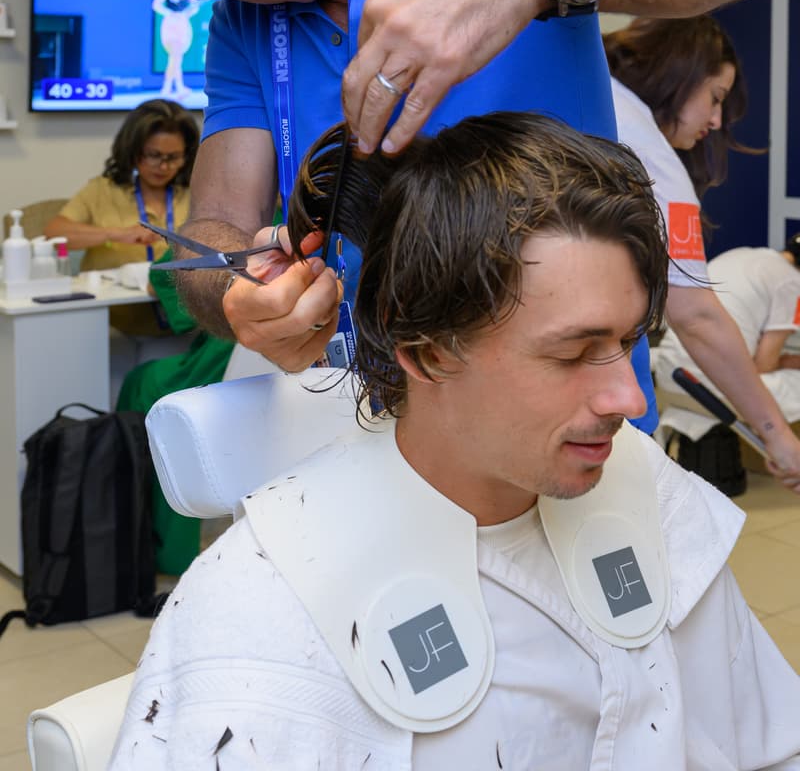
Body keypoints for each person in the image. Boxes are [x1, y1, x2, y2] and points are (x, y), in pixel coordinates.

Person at [69, 0, 787, 427]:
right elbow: (214, 225)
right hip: (383, 428)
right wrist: (239, 294)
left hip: (575, 415)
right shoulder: (242, 26)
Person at [107, 113, 800, 771]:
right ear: (428, 351)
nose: (632, 399)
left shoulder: (642, 487)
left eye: (626, 343)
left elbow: (767, 741)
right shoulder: (264, 600)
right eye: (572, 353)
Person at [604, 16, 800, 491]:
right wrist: (777, 435)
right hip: (611, 383)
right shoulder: (654, 160)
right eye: (715, 97)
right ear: (680, 72)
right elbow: (699, 318)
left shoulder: (593, 99)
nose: (716, 121)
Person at [116, 248, 235, 575]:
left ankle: (139, 537)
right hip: (275, 374)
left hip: (217, 369)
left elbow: (163, 275)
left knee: (143, 381)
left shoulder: (240, 220)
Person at [45, 98, 199, 335]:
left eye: (173, 157)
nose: (164, 166)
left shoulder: (195, 193)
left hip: (185, 321)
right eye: (154, 155)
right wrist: (117, 234)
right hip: (115, 322)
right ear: (133, 150)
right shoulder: (103, 190)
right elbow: (54, 234)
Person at [653, 236, 800, 427]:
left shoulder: (740, 253)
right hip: (716, 384)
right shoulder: (792, 282)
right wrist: (786, 361)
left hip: (671, 374)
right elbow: (764, 364)